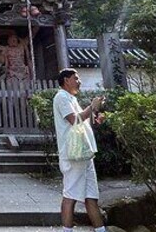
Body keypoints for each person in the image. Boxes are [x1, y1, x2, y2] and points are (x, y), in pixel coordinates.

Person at [53, 68, 107, 232]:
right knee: (70, 195)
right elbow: (74, 120)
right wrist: (91, 107)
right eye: (76, 78)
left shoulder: (71, 98)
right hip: (73, 154)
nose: (79, 81)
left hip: (84, 153)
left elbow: (81, 124)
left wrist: (96, 119)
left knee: (91, 197)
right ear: (66, 80)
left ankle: (101, 230)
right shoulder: (61, 97)